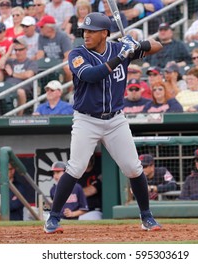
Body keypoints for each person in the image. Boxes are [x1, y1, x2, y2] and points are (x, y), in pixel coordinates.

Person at [44, 12, 163, 234]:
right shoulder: (78, 53)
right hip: (86, 119)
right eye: (84, 31)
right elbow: (91, 75)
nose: (86, 35)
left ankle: (146, 216)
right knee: (76, 167)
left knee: (133, 168)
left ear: (104, 33)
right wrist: (122, 56)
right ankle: (53, 218)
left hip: (116, 119)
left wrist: (137, 44)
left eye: (91, 31)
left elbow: (157, 46)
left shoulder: (120, 48)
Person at [35, 15, 73, 86]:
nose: (40, 29)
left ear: (50, 28)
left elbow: (68, 55)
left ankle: (68, 91)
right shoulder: (41, 36)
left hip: (60, 62)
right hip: (47, 62)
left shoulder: (63, 36)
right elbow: (40, 54)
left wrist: (58, 66)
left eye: (42, 27)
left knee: (67, 68)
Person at [78, 154, 103, 220]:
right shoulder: (77, 173)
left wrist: (75, 193)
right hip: (77, 211)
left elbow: (92, 190)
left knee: (84, 219)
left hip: (95, 210)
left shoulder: (99, 170)